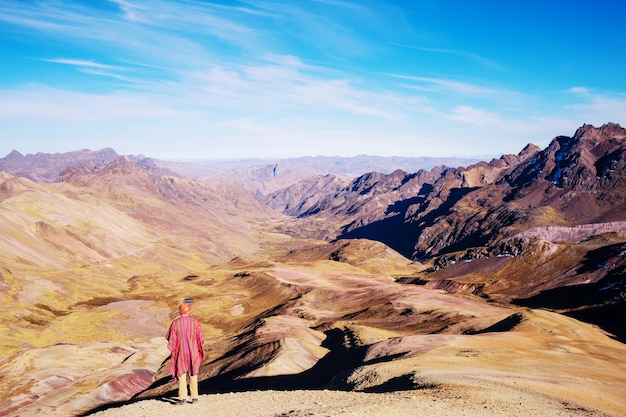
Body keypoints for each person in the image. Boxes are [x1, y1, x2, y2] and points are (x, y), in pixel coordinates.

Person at [165, 302, 205, 404]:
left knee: (181, 373)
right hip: (193, 351)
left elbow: (171, 339)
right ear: (189, 310)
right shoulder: (195, 322)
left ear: (179, 311)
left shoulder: (175, 323)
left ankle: (182, 398)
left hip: (181, 351)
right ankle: (194, 397)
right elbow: (200, 337)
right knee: (193, 372)